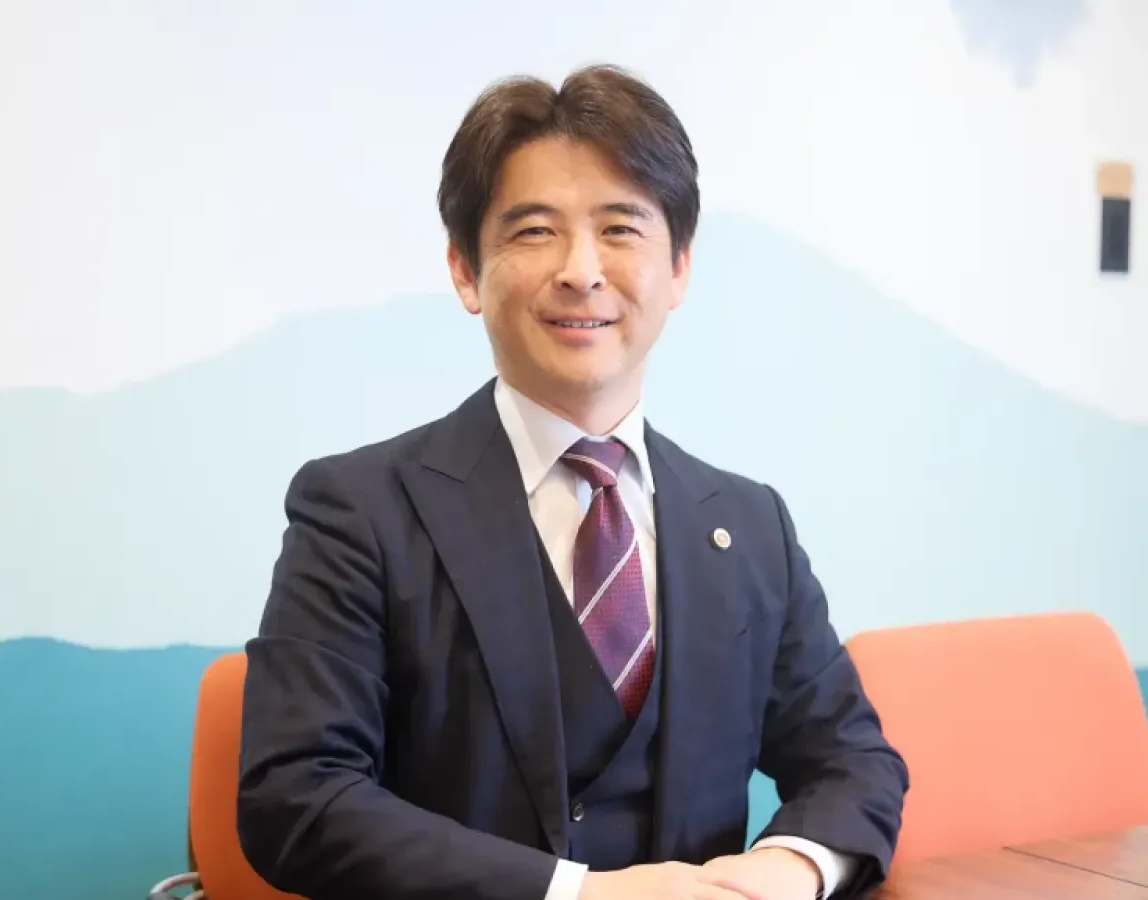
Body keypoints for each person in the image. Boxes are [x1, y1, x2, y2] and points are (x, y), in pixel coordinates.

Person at [236, 63, 909, 900]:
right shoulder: (359, 511)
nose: (581, 270)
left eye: (621, 228)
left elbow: (854, 760)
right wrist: (577, 894)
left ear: (679, 268)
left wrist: (787, 871)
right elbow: (297, 796)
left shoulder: (749, 525)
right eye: (533, 231)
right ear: (465, 269)